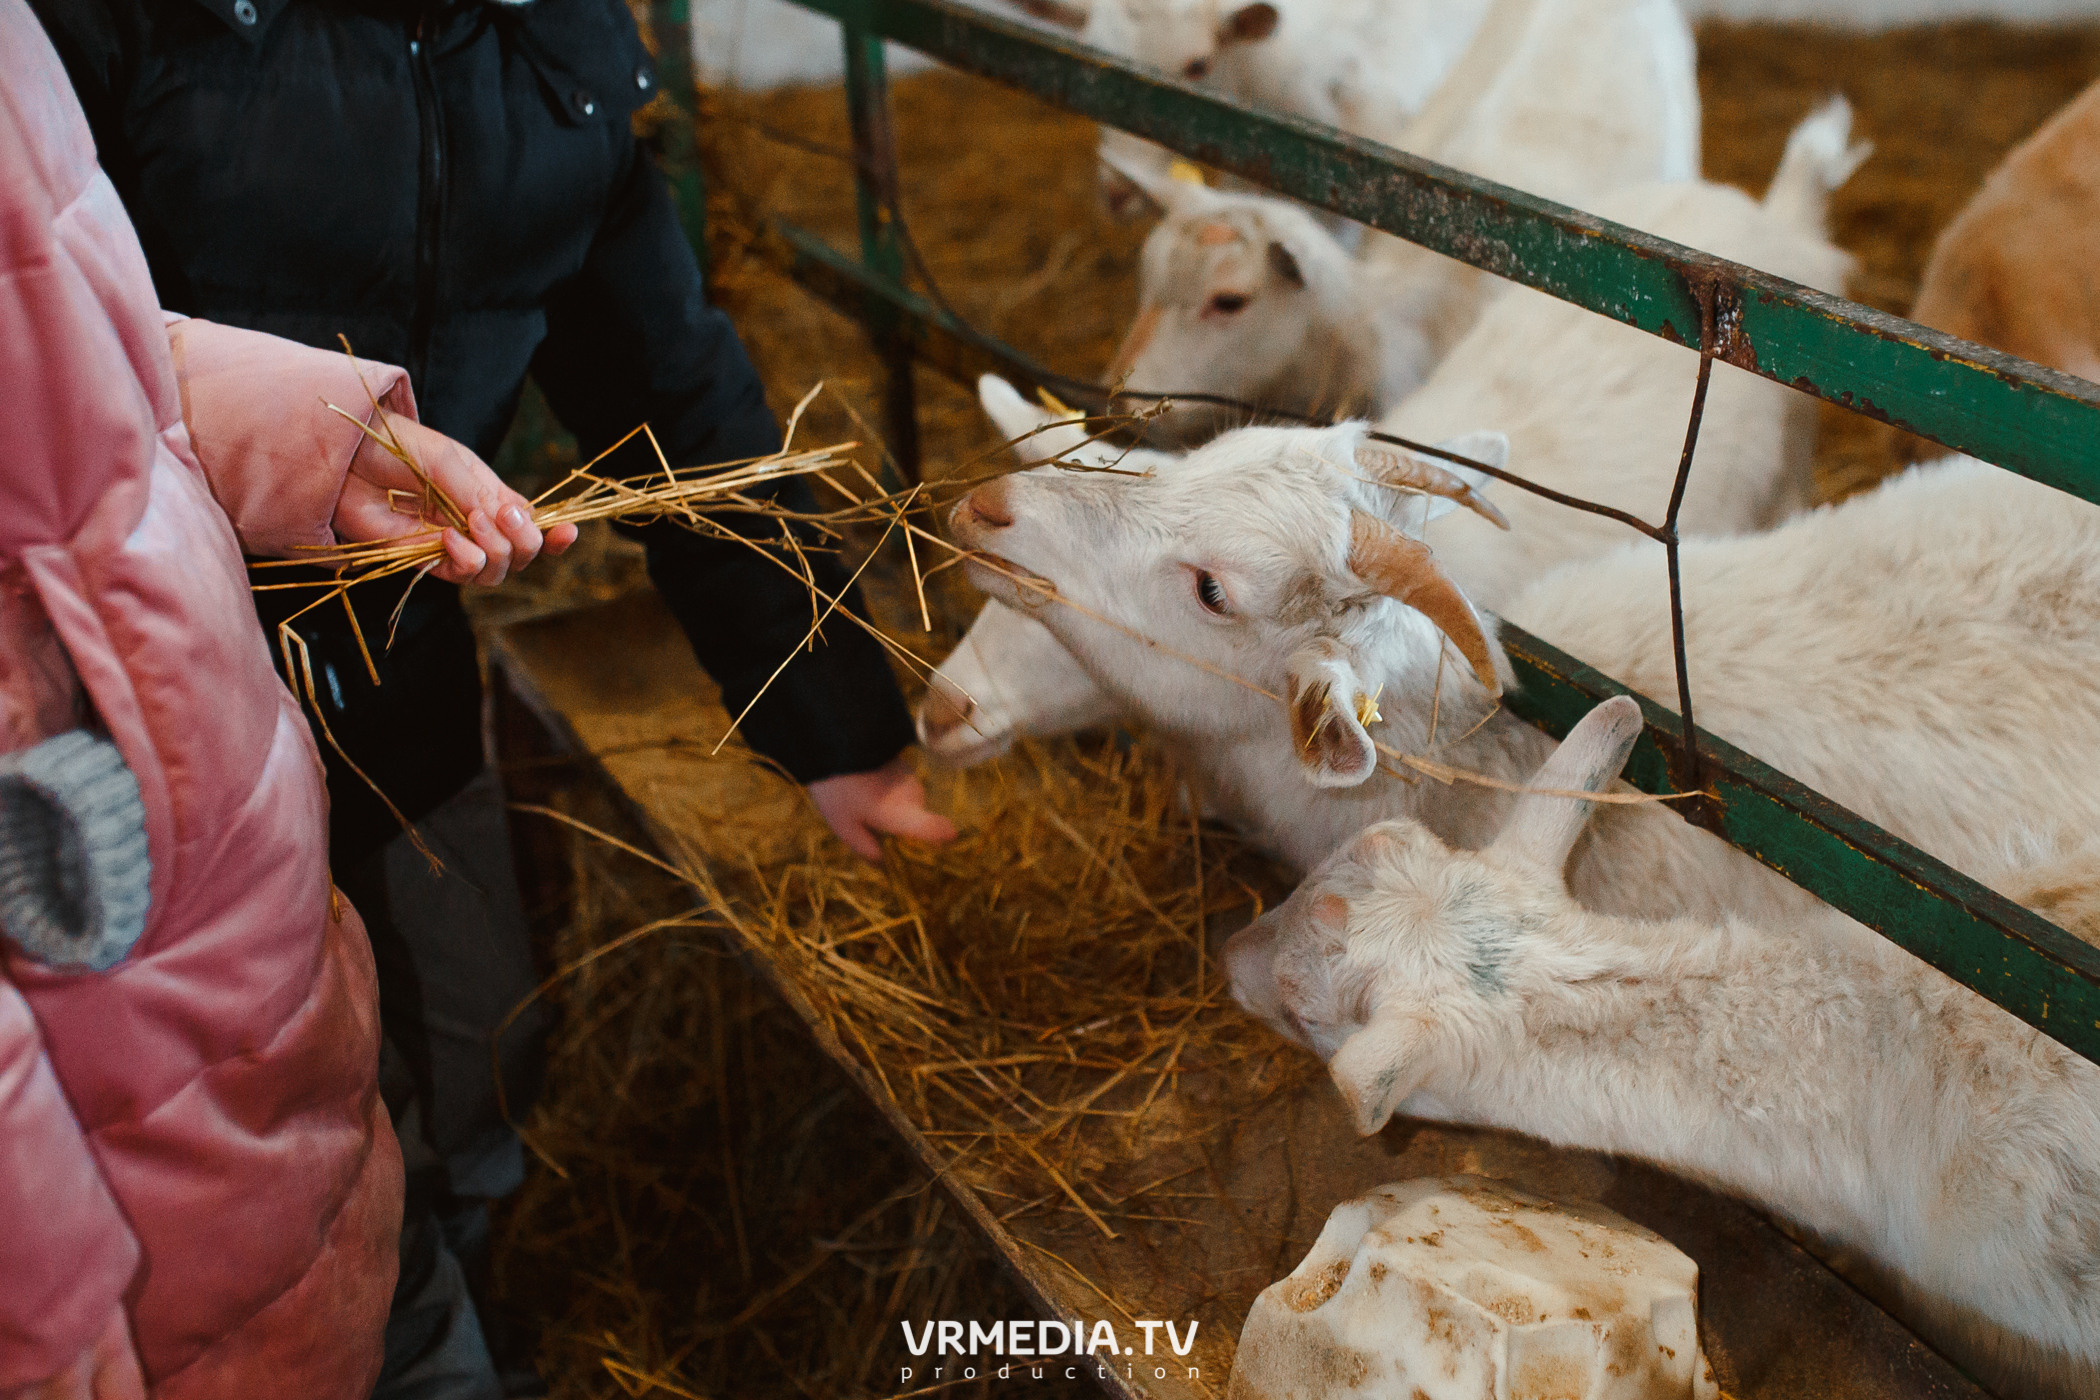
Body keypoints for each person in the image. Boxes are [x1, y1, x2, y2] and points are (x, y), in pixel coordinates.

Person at [26, 0, 961, 1392]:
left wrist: (842, 731)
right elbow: (57, 358)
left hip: (395, 674)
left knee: (474, 1055)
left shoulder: (547, 48)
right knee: (268, 1161)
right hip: (149, 737)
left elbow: (672, 391)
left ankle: (475, 1300)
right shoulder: (125, 28)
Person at [0, 3, 572, 1393]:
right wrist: (63, 1346)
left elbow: (66, 345)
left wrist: (317, 436)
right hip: (138, 1243)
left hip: (274, 1058)